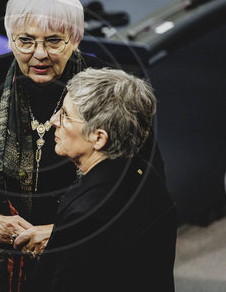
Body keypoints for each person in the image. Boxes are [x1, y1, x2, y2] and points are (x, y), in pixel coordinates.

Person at [0, 0, 164, 291]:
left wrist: (62, 233)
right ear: (10, 39)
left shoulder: (108, 92)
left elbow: (141, 184)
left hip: (82, 260)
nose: (39, 54)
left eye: (54, 41)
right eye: (26, 40)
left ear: (75, 38)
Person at [23, 67, 177, 291]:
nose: (54, 119)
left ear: (98, 138)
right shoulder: (145, 174)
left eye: (65, 114)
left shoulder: (86, 214)